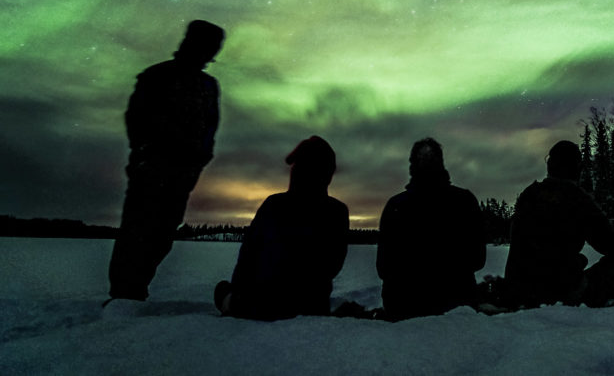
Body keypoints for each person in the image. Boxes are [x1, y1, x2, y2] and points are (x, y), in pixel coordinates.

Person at [107, 19, 225, 302]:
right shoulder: (157, 76)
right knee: (137, 229)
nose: (211, 54)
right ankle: (123, 294)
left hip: (183, 172)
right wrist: (146, 154)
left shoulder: (208, 86)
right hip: (152, 167)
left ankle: (136, 288)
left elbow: (210, 125)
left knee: (163, 233)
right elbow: (136, 119)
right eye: (208, 46)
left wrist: (200, 160)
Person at [215, 135, 350, 320]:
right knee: (225, 290)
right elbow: (332, 266)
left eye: (298, 165)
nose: (293, 171)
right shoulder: (337, 212)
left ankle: (231, 302)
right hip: (311, 307)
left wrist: (240, 299)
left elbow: (247, 257)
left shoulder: (274, 205)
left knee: (222, 290)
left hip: (261, 307)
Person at [503, 140, 614, 308]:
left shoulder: (529, 194)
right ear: (576, 168)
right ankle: (588, 297)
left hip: (519, 289)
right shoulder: (577, 198)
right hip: (559, 291)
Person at [376, 138, 486, 320]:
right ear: (441, 164)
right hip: (456, 309)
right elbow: (477, 260)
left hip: (404, 310)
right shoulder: (464, 201)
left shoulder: (395, 206)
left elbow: (383, 268)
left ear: (412, 166)